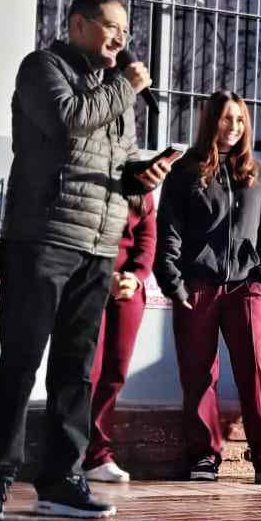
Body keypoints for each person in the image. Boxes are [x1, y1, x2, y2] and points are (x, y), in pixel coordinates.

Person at [0, 0, 173, 521]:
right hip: (41, 240)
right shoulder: (42, 69)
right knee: (20, 363)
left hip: (99, 247)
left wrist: (143, 176)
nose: (121, 40)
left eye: (126, 32)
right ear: (79, 25)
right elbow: (68, 120)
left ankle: (61, 482)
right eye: (112, 28)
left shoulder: (114, 92)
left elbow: (121, 165)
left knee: (75, 371)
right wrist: (125, 87)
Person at [155, 91, 261, 485]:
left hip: (245, 288)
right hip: (196, 286)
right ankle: (204, 457)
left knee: (256, 371)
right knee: (198, 373)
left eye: (240, 119)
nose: (233, 126)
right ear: (211, 121)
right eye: (226, 118)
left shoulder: (259, 174)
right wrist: (174, 281)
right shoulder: (185, 171)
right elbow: (169, 230)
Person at [82, 193, 157, 483]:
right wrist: (104, 277)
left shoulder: (143, 185)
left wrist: (135, 277)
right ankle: (71, 453)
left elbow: (147, 238)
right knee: (87, 370)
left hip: (128, 290)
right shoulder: (92, 176)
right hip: (89, 283)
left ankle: (98, 456)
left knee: (115, 371)